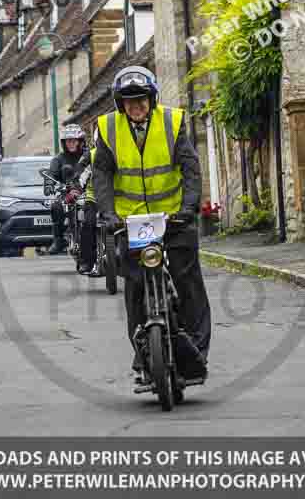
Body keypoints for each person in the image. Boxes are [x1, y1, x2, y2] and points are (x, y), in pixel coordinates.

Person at [93, 66, 211, 380]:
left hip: (173, 219)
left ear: (153, 98)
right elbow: (101, 176)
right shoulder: (107, 129)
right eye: (129, 101)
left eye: (142, 99)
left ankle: (197, 351)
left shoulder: (173, 121)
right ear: (120, 104)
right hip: (130, 223)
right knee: (133, 288)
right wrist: (107, 215)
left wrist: (189, 207)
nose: (137, 106)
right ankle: (142, 353)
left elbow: (190, 169)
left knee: (189, 283)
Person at [48, 124, 87, 255]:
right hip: (66, 192)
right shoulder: (59, 159)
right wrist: (49, 184)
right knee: (56, 206)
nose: (70, 143)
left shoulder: (88, 155)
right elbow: (51, 174)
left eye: (73, 140)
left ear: (80, 141)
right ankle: (58, 239)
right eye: (67, 141)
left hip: (88, 191)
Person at [77, 131, 99, 276]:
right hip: (94, 198)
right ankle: (87, 261)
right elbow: (80, 171)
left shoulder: (122, 152)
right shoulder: (91, 155)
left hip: (119, 198)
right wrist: (76, 186)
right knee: (88, 224)